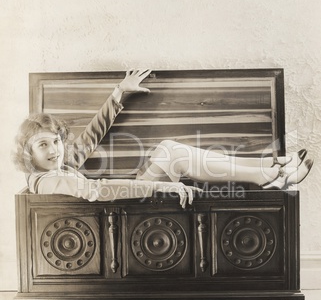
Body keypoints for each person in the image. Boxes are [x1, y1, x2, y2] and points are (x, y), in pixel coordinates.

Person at [13, 69, 313, 208]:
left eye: (56, 141)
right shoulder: (48, 181)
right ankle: (271, 173)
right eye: (43, 144)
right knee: (173, 154)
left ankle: (270, 169)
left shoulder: (54, 167)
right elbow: (97, 191)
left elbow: (90, 138)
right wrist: (161, 187)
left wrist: (118, 93)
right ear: (28, 153)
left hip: (123, 203)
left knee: (170, 150)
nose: (54, 149)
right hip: (118, 210)